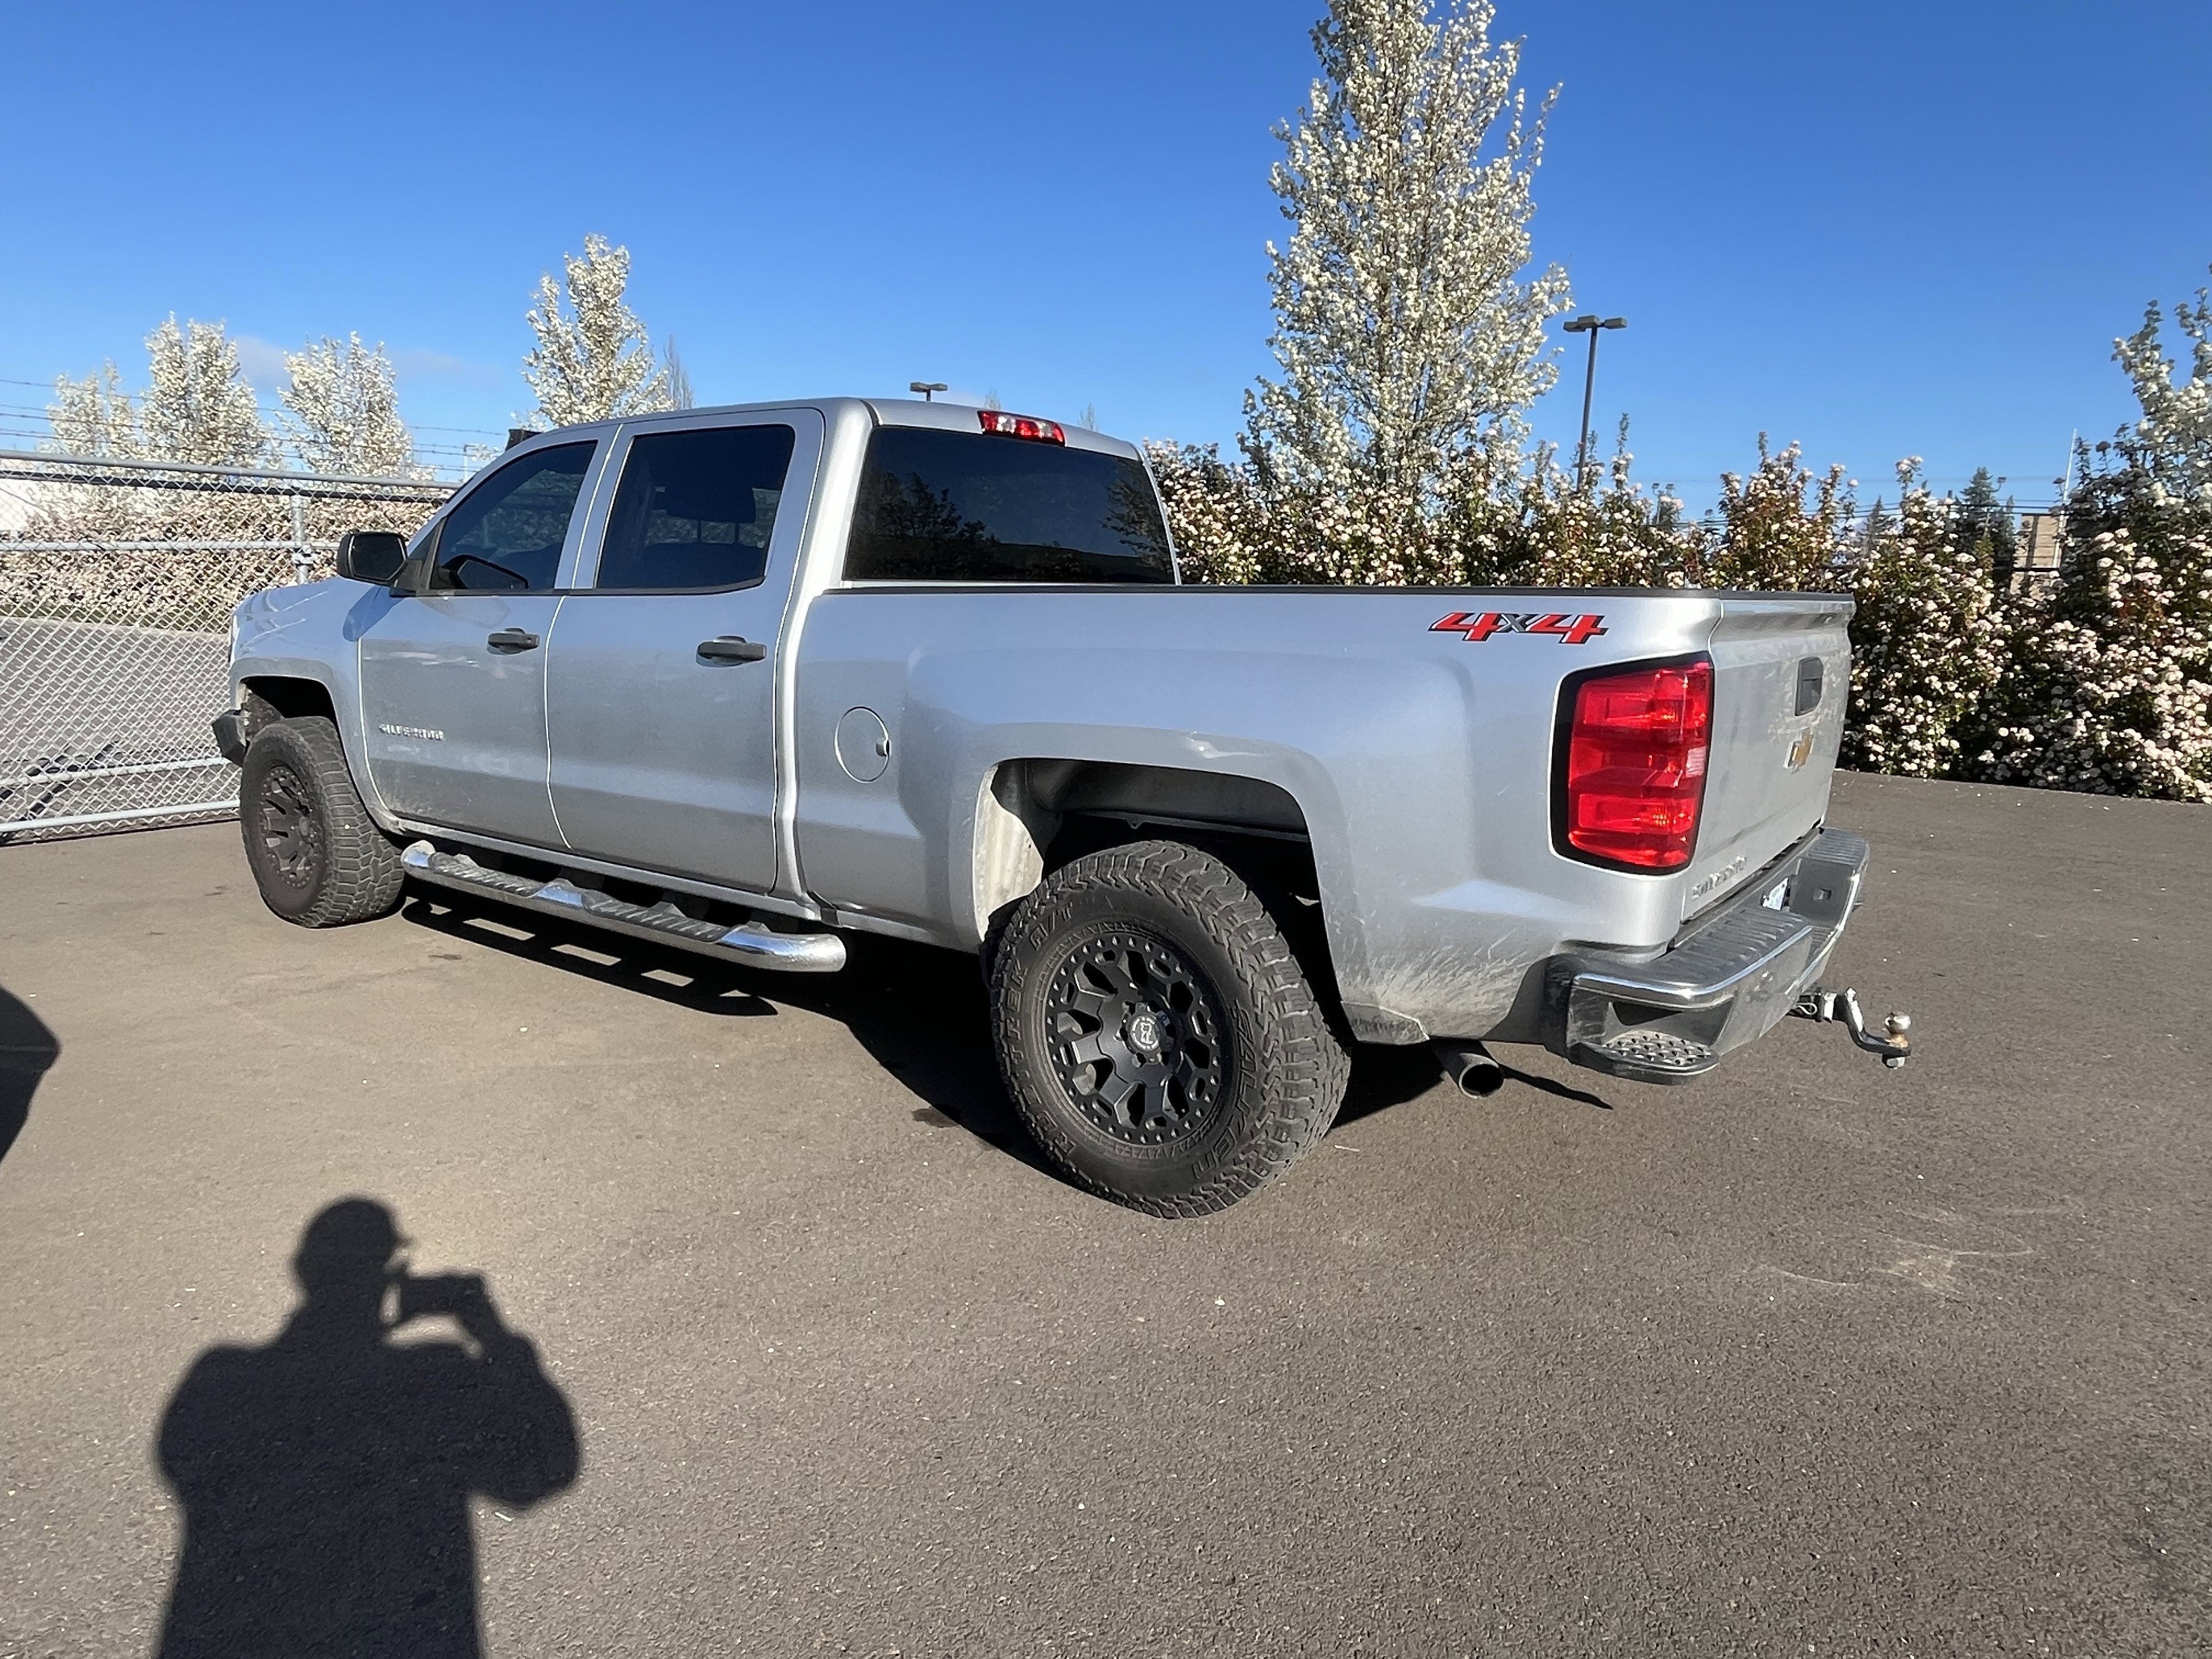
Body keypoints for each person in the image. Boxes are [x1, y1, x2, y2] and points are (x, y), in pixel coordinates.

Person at [155, 1198, 579, 1658]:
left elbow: (185, 1463)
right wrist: (491, 1331)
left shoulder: (218, 1381)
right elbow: (546, 1467)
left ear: (302, 1271)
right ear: (392, 1275)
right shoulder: (432, 1377)